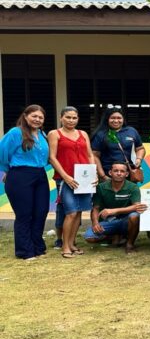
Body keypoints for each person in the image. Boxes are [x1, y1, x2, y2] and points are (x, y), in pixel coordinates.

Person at [0, 105, 50, 260]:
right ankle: (25, 251)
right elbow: (3, 153)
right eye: (34, 116)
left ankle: (37, 247)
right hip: (20, 175)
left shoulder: (42, 134)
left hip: (40, 175)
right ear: (26, 116)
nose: (37, 119)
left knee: (41, 212)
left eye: (41, 117)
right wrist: (9, 171)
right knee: (24, 214)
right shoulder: (16, 133)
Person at [47, 106, 94, 258]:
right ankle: (65, 246)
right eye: (68, 117)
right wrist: (66, 176)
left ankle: (72, 243)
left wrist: (93, 173)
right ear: (61, 118)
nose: (71, 120)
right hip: (65, 179)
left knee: (79, 211)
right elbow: (52, 158)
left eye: (74, 118)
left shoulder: (83, 133)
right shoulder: (55, 134)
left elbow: (89, 155)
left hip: (84, 178)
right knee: (71, 212)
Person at [84, 162, 144, 253]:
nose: (119, 173)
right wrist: (95, 223)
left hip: (126, 221)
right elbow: (95, 208)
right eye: (116, 171)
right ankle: (114, 236)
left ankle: (129, 244)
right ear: (110, 173)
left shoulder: (133, 187)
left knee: (135, 216)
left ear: (126, 174)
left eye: (122, 171)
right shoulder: (100, 187)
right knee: (89, 237)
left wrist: (114, 211)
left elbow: (137, 206)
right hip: (108, 221)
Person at [91, 107, 145, 181]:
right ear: (107, 119)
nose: (116, 121)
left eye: (119, 118)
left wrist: (138, 159)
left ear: (123, 119)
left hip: (128, 174)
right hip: (108, 175)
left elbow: (140, 148)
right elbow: (94, 156)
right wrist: (103, 176)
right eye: (112, 118)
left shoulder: (131, 131)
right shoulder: (101, 134)